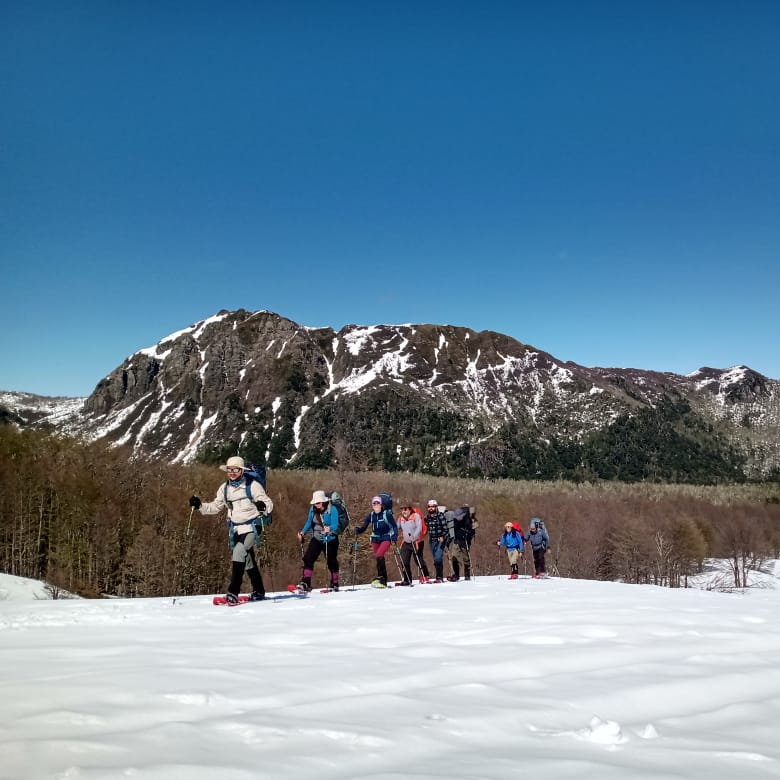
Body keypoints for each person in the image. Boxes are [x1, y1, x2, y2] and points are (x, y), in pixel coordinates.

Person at [189, 456, 273, 603]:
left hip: (253, 526)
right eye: (229, 470)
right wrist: (200, 506)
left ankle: (233, 592)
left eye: (235, 470)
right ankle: (259, 591)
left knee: (239, 552)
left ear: (242, 471)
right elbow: (216, 507)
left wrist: (263, 506)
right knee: (247, 559)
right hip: (236, 529)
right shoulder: (224, 488)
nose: (232, 473)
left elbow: (268, 503)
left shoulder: (253, 486)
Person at [297, 490, 341, 592]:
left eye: (318, 502)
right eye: (315, 503)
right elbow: (309, 522)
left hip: (330, 539)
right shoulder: (313, 509)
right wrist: (303, 532)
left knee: (331, 561)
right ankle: (305, 582)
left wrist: (329, 528)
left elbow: (335, 524)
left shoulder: (332, 509)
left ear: (323, 502)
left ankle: (334, 582)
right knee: (308, 558)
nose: (316, 505)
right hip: (317, 538)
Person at [354, 496, 398, 588]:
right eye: (374, 503)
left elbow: (394, 526)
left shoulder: (387, 514)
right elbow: (364, 527)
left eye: (378, 503)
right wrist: (358, 530)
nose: (376, 505)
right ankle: (382, 580)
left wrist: (395, 535)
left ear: (381, 505)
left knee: (379, 554)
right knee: (379, 557)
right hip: (375, 538)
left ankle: (381, 578)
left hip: (386, 537)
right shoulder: (371, 515)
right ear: (372, 505)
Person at [397, 502, 430, 585]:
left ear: (410, 509)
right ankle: (407, 579)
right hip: (406, 542)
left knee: (418, 559)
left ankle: (425, 576)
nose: (403, 511)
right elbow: (397, 527)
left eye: (405, 509)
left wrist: (414, 536)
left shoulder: (416, 516)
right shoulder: (401, 518)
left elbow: (419, 528)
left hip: (417, 541)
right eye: (402, 509)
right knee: (404, 560)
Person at [425, 499, 449, 582]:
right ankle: (438, 575)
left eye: (433, 507)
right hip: (432, 540)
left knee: (438, 558)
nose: (431, 508)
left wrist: (442, 536)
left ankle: (439, 577)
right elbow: (425, 528)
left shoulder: (440, 516)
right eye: (429, 507)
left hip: (440, 540)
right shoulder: (427, 518)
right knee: (435, 559)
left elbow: (446, 529)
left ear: (436, 507)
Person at [449, 506, 474, 581]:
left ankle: (467, 575)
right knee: (454, 556)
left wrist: (467, 535)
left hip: (465, 541)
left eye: (458, 516)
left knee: (466, 558)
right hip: (456, 540)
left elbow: (472, 531)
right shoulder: (455, 520)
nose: (457, 518)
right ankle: (456, 575)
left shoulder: (467, 520)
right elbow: (453, 530)